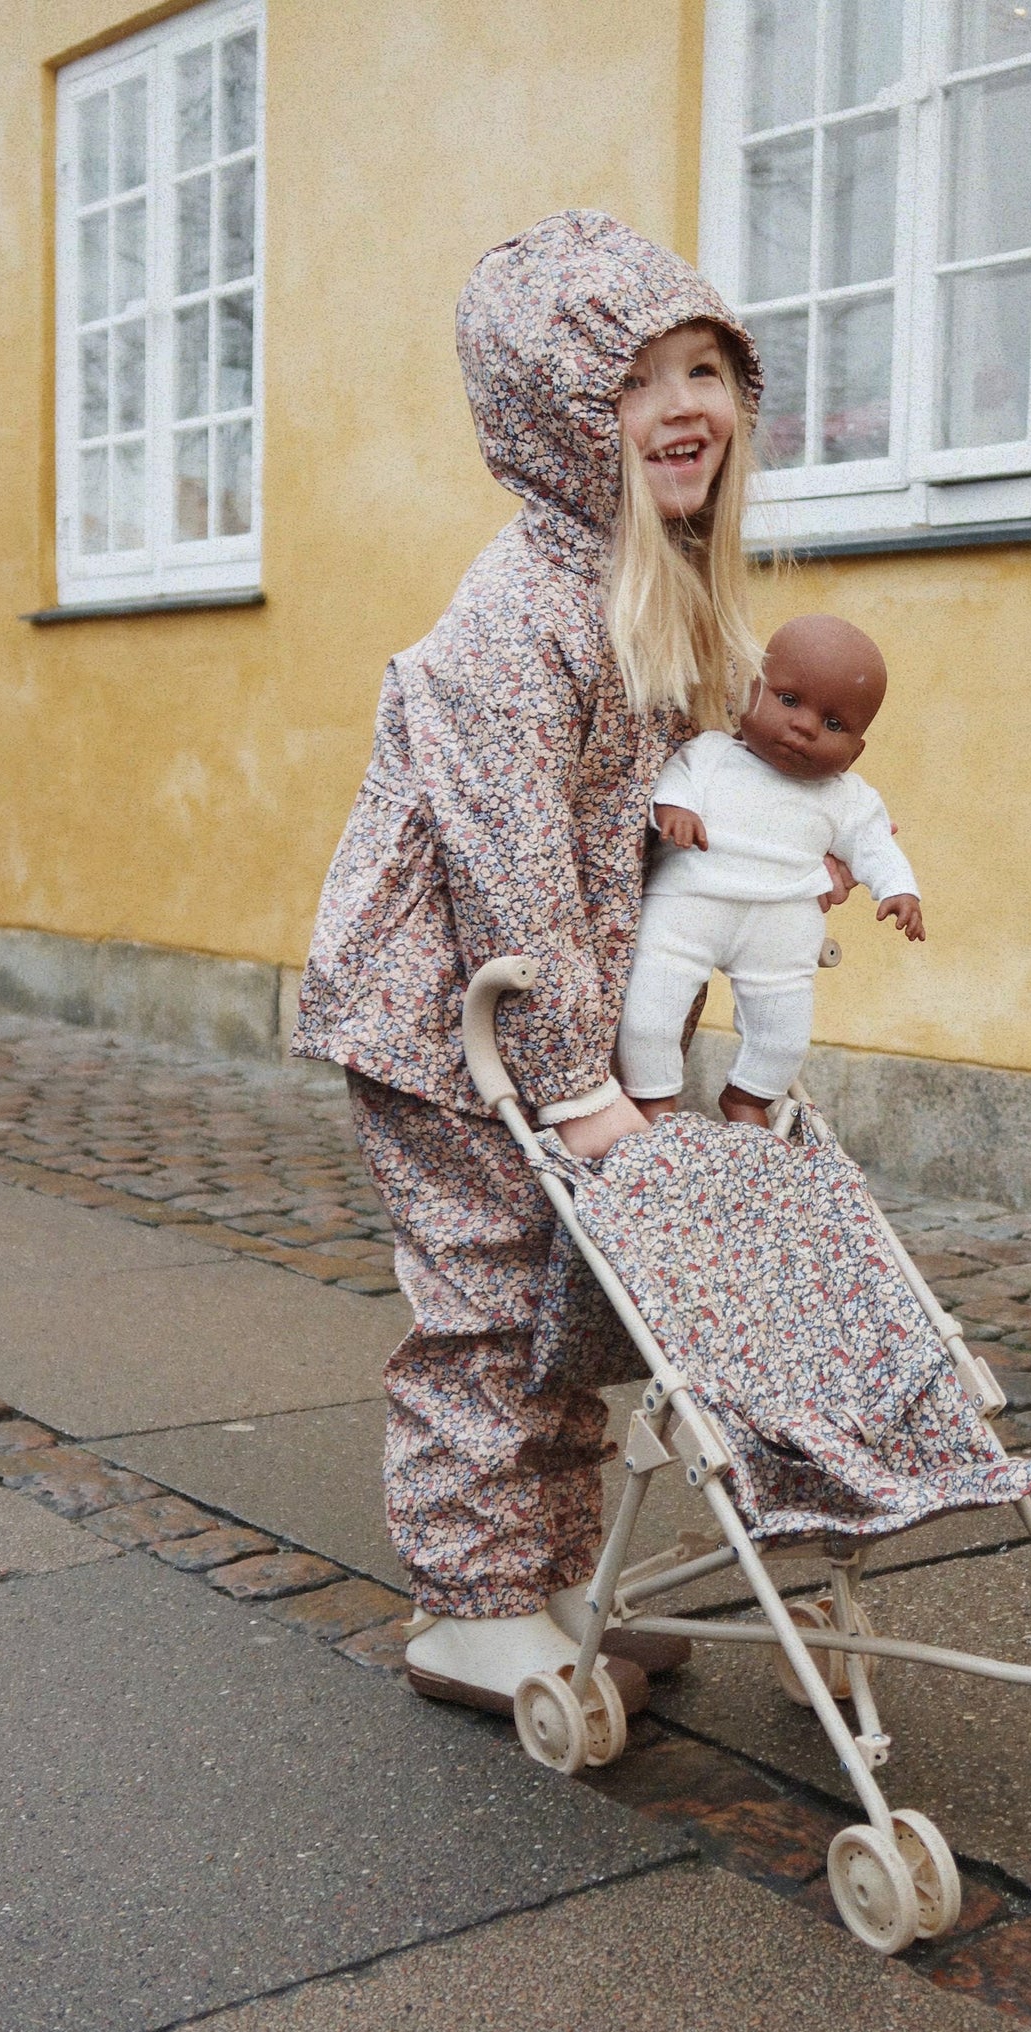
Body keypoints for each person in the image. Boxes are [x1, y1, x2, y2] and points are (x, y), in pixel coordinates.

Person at [292, 210, 763, 1713]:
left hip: (566, 1008)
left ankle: (556, 1571)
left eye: (706, 369)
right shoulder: (518, 617)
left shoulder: (654, 586)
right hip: (451, 1015)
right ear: (558, 414)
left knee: (578, 1295)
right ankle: (469, 1605)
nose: (684, 407)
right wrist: (575, 1089)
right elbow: (506, 879)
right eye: (636, 382)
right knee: (492, 1294)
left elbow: (654, 820)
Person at [617, 614, 923, 1128]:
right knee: (649, 1012)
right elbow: (675, 780)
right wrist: (675, 810)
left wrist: (898, 889)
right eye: (788, 700)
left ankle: (749, 1098)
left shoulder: (847, 797)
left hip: (782, 925)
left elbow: (874, 846)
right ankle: (653, 1099)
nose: (804, 726)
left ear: (855, 753)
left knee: (784, 1033)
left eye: (833, 724)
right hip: (690, 906)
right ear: (750, 692)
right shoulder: (712, 753)